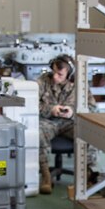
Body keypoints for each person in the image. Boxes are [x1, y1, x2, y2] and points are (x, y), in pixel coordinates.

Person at [37, 54, 81, 195]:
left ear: (70, 74)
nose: (55, 77)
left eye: (60, 74)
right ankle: (46, 176)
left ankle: (87, 176)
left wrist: (72, 112)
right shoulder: (43, 81)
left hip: (69, 123)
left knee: (89, 133)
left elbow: (91, 107)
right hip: (48, 121)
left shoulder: (79, 85)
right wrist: (50, 109)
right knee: (37, 133)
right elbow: (31, 103)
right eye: (54, 72)